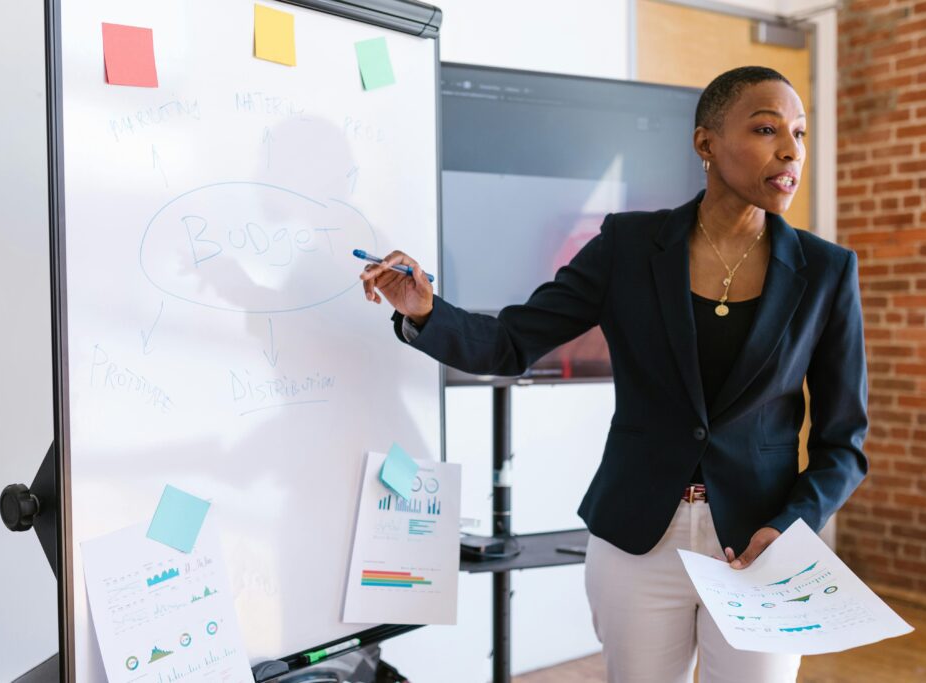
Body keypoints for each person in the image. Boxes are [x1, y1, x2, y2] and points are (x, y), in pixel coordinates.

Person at [359, 65, 868, 683]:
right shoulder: (629, 245)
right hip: (636, 539)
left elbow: (844, 443)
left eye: (800, 133)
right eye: (766, 129)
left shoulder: (827, 271)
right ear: (706, 143)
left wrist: (790, 525)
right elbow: (513, 341)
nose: (790, 149)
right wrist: (426, 313)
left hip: (762, 546)